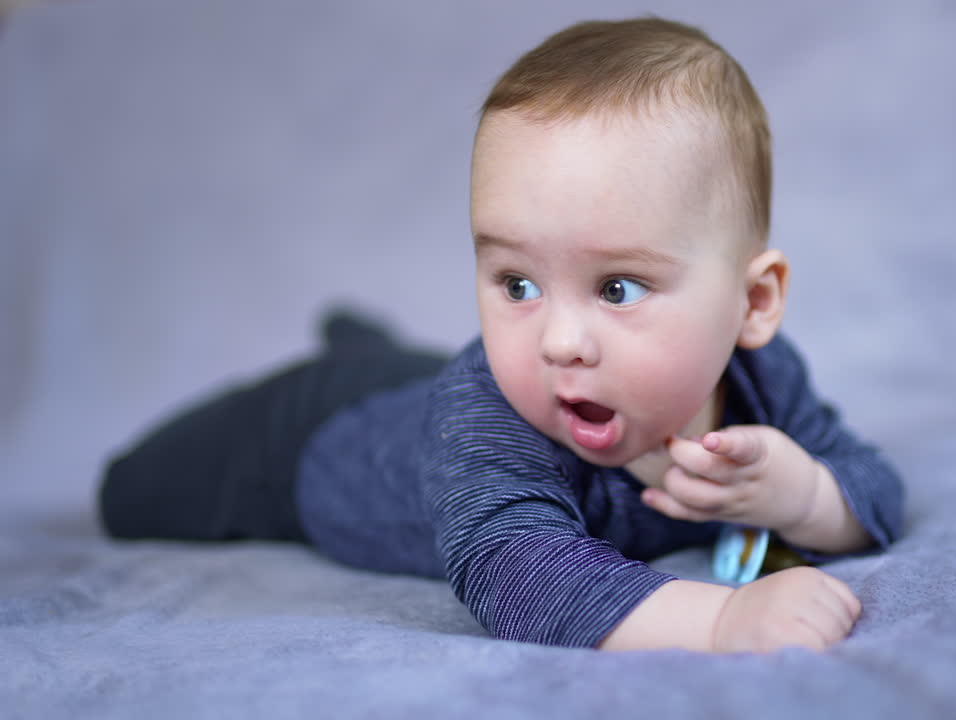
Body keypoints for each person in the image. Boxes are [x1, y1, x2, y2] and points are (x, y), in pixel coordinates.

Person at [98, 17, 904, 653]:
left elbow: (874, 491)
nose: (560, 340)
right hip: (309, 442)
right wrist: (722, 624)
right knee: (129, 494)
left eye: (617, 288)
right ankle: (351, 356)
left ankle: (363, 344)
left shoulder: (760, 381)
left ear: (752, 303)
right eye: (517, 284)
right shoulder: (489, 415)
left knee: (403, 371)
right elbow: (514, 570)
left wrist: (802, 495)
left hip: (413, 394)